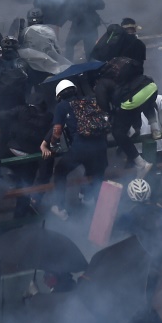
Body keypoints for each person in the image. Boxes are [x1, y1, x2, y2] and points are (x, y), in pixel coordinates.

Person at [42, 79, 109, 220]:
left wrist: (52, 143)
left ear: (59, 95)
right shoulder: (89, 101)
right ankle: (88, 199)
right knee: (94, 171)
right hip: (101, 146)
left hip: (81, 147)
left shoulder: (62, 106)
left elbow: (57, 129)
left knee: (60, 171)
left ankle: (60, 207)